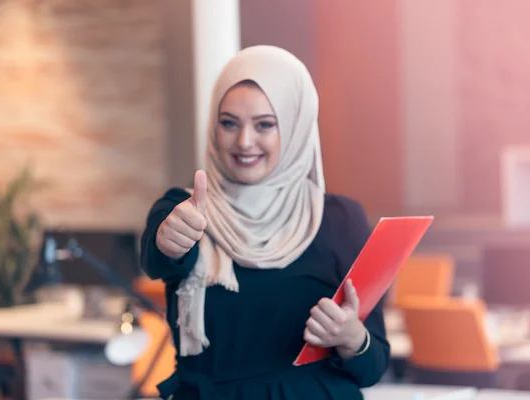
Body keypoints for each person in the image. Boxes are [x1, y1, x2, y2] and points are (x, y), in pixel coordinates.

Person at [140, 45, 390, 400]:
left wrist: (353, 339)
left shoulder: (340, 220)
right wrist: (169, 241)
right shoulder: (185, 208)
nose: (244, 141)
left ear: (294, 126)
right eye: (229, 123)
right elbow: (156, 259)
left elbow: (373, 367)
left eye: (265, 125)